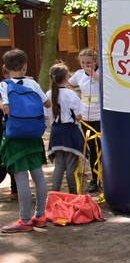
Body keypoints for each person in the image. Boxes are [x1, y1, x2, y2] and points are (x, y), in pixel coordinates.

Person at [0, 48, 51, 233]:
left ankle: (25, 219)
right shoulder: (33, 83)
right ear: (25, 66)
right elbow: (48, 103)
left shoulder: (4, 85)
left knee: (21, 177)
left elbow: (6, 109)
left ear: (6, 68)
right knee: (38, 176)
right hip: (34, 135)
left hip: (16, 137)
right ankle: (41, 216)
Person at [46, 62, 85, 194]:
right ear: (66, 77)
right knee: (71, 167)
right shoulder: (71, 94)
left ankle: (54, 193)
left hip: (56, 132)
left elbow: (46, 115)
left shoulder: (48, 94)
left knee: (59, 165)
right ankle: (73, 194)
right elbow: (79, 116)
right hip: (70, 133)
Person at [68, 48, 101, 192]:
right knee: (91, 148)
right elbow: (67, 83)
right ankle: (95, 179)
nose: (86, 66)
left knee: (101, 148)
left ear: (95, 61)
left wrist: (94, 75)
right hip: (85, 117)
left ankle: (106, 177)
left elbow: (106, 85)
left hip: (99, 117)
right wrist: (76, 94)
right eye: (83, 63)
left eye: (89, 62)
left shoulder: (100, 73)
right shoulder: (79, 74)